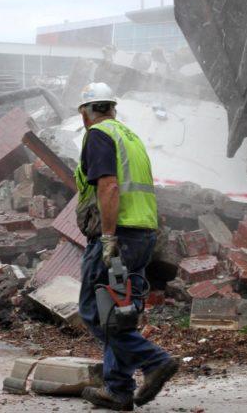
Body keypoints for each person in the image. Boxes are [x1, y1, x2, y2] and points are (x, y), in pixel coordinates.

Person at [75, 82, 178, 411]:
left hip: (118, 236)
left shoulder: (98, 135)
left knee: (95, 312)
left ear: (86, 111)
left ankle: (154, 361)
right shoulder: (130, 137)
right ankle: (118, 389)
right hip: (143, 234)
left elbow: (108, 185)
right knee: (119, 314)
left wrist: (107, 237)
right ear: (112, 107)